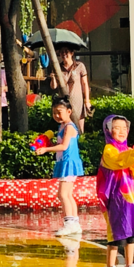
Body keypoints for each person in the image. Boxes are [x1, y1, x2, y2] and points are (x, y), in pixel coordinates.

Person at [96, 115, 134, 267]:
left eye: (124, 128)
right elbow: (119, 162)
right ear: (108, 130)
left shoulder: (128, 149)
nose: (122, 131)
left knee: (131, 234)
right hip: (115, 198)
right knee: (115, 234)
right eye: (117, 128)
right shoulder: (109, 150)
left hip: (130, 198)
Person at [34, 96, 84, 236]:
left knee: (62, 194)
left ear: (69, 111)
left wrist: (46, 150)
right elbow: (59, 146)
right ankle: (74, 224)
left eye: (59, 112)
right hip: (65, 162)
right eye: (54, 112)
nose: (56, 115)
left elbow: (64, 146)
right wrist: (46, 145)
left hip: (69, 163)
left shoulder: (69, 127)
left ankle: (69, 224)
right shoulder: (61, 126)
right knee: (68, 194)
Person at [50, 46, 91, 134]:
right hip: (64, 101)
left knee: (79, 127)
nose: (64, 54)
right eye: (61, 52)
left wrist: (87, 101)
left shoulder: (80, 66)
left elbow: (85, 84)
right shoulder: (58, 68)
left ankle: (80, 144)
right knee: (66, 126)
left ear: (72, 53)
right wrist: (53, 78)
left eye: (66, 51)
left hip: (77, 101)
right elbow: (54, 86)